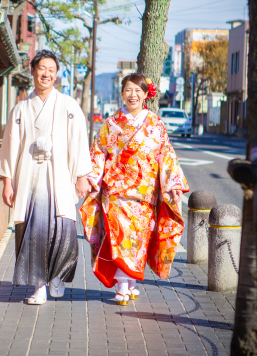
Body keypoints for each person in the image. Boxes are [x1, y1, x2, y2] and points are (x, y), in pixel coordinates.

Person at [80, 73, 189, 305]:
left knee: (138, 240)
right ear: (122, 93)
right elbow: (98, 152)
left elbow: (167, 155)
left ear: (145, 95)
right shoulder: (111, 124)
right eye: (128, 90)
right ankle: (122, 284)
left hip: (144, 194)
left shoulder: (156, 124)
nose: (133, 95)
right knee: (121, 237)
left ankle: (130, 282)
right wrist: (91, 178)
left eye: (138, 90)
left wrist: (173, 184)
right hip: (117, 193)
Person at [0, 50, 92, 305]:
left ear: (56, 74)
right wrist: (7, 182)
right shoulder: (21, 109)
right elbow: (10, 147)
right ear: (33, 71)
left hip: (59, 177)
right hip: (29, 179)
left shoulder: (69, 106)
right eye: (42, 68)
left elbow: (80, 141)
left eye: (51, 69)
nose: (46, 74)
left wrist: (82, 175)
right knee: (33, 232)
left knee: (63, 230)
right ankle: (39, 286)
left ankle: (57, 277)